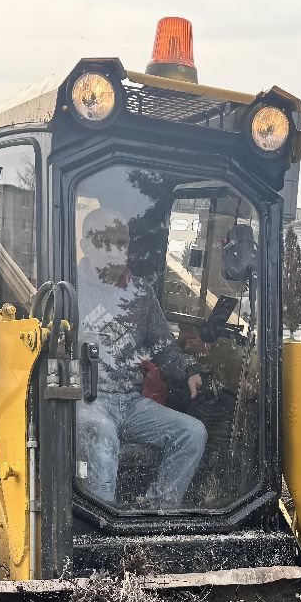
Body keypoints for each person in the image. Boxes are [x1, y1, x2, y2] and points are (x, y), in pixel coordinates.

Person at [76, 206, 207, 507]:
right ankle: (102, 522)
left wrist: (189, 371)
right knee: (103, 434)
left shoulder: (140, 293)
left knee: (192, 433)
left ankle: (154, 512)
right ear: (85, 245)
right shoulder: (68, 289)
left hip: (131, 404)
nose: (114, 250)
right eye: (104, 242)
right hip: (86, 401)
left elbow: (163, 346)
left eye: (120, 243)